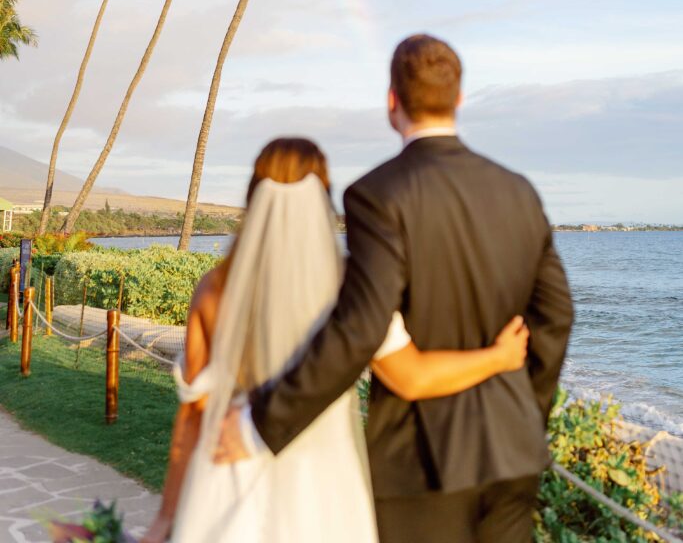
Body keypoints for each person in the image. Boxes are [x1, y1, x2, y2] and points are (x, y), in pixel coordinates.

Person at [217, 35, 574, 543]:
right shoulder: (519, 191)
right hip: (513, 454)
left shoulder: (378, 195)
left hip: (420, 462)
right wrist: (525, 411)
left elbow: (362, 325)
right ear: (459, 98)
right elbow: (557, 315)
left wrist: (262, 423)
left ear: (392, 102)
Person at [142, 136, 531, 543]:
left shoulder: (215, 289)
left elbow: (193, 415)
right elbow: (412, 377)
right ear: (324, 198)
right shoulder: (353, 287)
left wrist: (165, 518)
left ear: (253, 197)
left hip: (228, 471)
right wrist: (498, 357)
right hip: (322, 486)